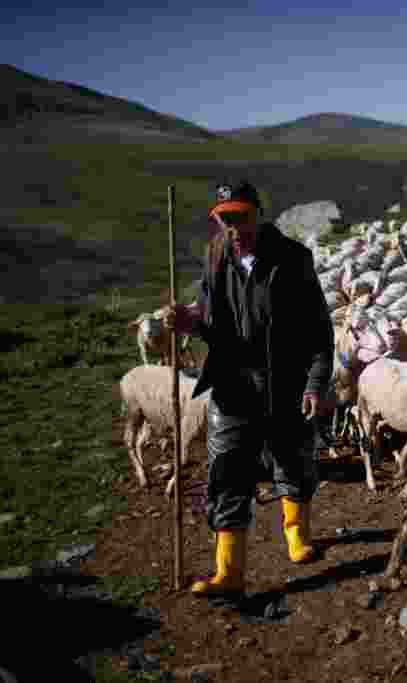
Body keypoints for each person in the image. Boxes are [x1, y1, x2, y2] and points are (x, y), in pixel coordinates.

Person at [165, 180, 334, 597]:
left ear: (258, 212)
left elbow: (318, 329)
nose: (233, 226)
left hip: (286, 381)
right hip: (232, 382)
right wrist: (189, 320)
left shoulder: (293, 259)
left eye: (240, 216)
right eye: (225, 218)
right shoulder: (216, 256)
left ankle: (296, 534)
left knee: (293, 456)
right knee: (227, 469)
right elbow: (208, 311)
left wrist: (315, 384)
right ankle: (229, 572)